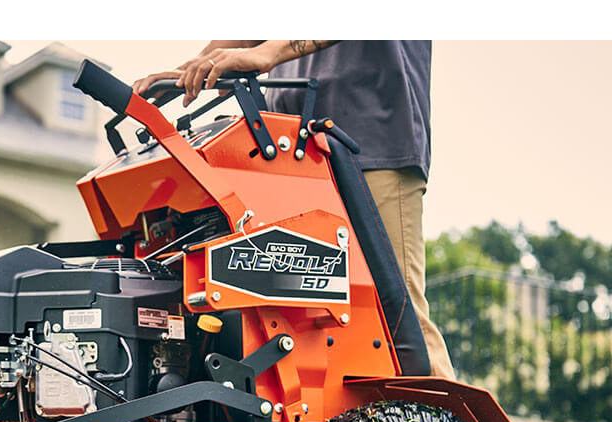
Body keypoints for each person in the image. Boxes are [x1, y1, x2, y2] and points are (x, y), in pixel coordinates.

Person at [134, 40, 455, 379]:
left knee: (400, 322)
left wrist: (271, 52)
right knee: (301, 319)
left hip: (372, 140)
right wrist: (197, 67)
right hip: (291, 147)